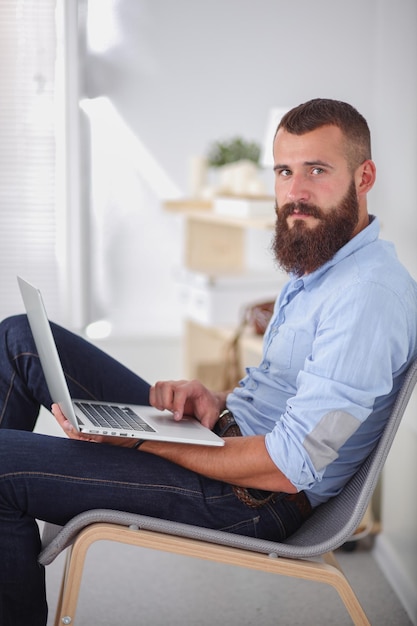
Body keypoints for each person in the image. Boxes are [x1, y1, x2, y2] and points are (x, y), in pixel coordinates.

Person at [1, 98, 416, 625]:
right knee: (19, 340)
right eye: (285, 171)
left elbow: (288, 467)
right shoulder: (323, 263)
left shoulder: (368, 295)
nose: (295, 193)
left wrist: (142, 438)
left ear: (365, 176)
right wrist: (214, 402)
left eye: (317, 170)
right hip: (229, 438)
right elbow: (280, 392)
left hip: (251, 498)